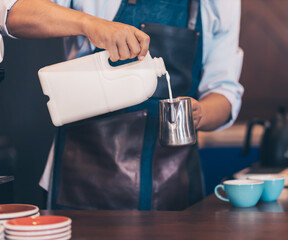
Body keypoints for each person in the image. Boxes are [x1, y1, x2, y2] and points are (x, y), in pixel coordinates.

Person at [1, 0, 244, 210]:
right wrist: (90, 24)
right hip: (82, 185)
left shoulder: (219, 4)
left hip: (176, 191)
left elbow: (224, 92)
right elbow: (12, 12)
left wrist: (202, 113)